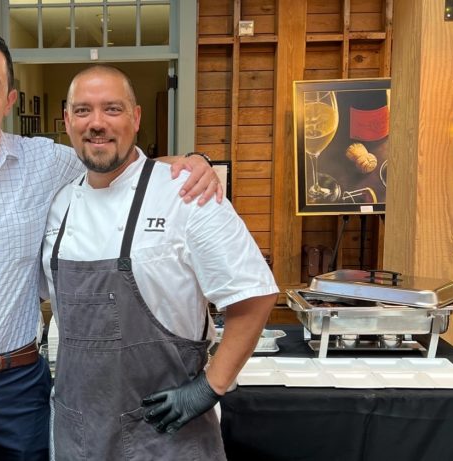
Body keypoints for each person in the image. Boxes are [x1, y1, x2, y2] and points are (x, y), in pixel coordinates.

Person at [0, 29, 223, 461]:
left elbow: (114, 161)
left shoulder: (48, 162)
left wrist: (191, 162)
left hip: (18, 383)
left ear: (9, 99)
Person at [41, 65, 279, 460]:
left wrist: (210, 387)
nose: (97, 123)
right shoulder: (60, 204)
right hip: (78, 433)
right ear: (67, 121)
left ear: (135, 118)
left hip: (166, 435)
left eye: (112, 109)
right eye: (83, 110)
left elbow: (253, 296)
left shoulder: (186, 192)